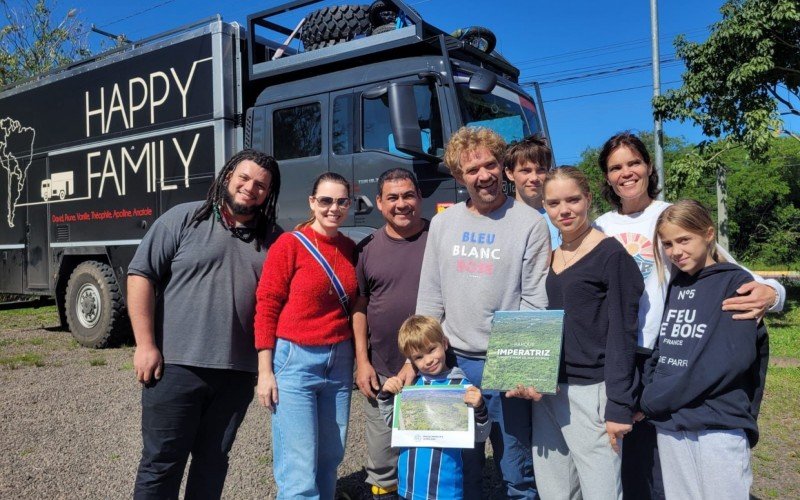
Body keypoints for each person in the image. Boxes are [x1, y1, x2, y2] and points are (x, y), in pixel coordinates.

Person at [593, 131, 785, 500]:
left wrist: (773, 293)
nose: (626, 172)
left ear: (649, 166)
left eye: (634, 163)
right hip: (615, 355)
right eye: (616, 167)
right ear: (606, 177)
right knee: (623, 463)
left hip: (661, 354)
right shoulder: (601, 227)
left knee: (661, 465)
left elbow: (731, 269)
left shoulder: (667, 217)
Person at [128, 149, 281, 499]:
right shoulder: (183, 219)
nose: (250, 188)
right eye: (244, 177)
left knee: (213, 463)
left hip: (237, 374)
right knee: (161, 463)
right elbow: (141, 276)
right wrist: (146, 344)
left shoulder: (274, 239)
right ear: (228, 176)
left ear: (268, 193)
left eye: (261, 185)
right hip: (175, 367)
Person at [416, 126, 550, 499]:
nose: (484, 175)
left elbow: (534, 300)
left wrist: (523, 369)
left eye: (490, 165)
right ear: (460, 176)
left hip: (505, 363)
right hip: (455, 364)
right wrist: (422, 359)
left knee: (517, 470)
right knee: (461, 468)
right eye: (472, 170)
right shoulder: (443, 223)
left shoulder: (530, 223)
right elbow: (430, 294)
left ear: (502, 167)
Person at [511, 166, 642, 500]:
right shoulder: (552, 256)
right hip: (549, 389)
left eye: (572, 200)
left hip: (592, 391)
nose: (564, 210)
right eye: (553, 203)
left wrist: (618, 405)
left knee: (601, 491)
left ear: (588, 199)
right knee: (555, 489)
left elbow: (623, 334)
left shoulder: (611, 255)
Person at [640, 199, 769, 500]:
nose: (676, 251)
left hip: (718, 421)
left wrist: (659, 396)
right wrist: (651, 386)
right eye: (668, 244)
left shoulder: (735, 282)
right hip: (673, 421)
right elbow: (663, 344)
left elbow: (732, 358)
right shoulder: (675, 284)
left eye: (684, 239)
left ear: (708, 234)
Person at [253, 172, 357, 500]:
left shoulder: (350, 248)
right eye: (325, 201)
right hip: (294, 360)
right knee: (298, 468)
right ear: (312, 203)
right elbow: (267, 305)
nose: (333, 208)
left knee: (329, 458)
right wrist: (265, 371)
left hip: (339, 361)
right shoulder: (290, 245)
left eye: (341, 202)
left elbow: (355, 305)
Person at [353, 168, 429, 500]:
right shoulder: (367, 248)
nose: (402, 204)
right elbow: (359, 306)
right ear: (380, 204)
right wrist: (362, 362)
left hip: (434, 369)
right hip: (382, 371)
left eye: (408, 195)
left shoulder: (439, 236)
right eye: (393, 197)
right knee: (383, 462)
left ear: (420, 199)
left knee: (430, 453)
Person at [377, 315, 491, 500]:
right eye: (419, 357)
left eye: (431, 350)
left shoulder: (462, 386)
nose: (428, 360)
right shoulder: (411, 386)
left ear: (444, 343)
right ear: (411, 360)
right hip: (409, 485)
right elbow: (393, 423)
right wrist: (386, 396)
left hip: (445, 489)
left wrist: (479, 408)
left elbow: (480, 435)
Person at [503, 135, 560, 248]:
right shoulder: (500, 217)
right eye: (526, 171)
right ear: (510, 173)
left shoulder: (561, 214)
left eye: (541, 170)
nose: (534, 178)